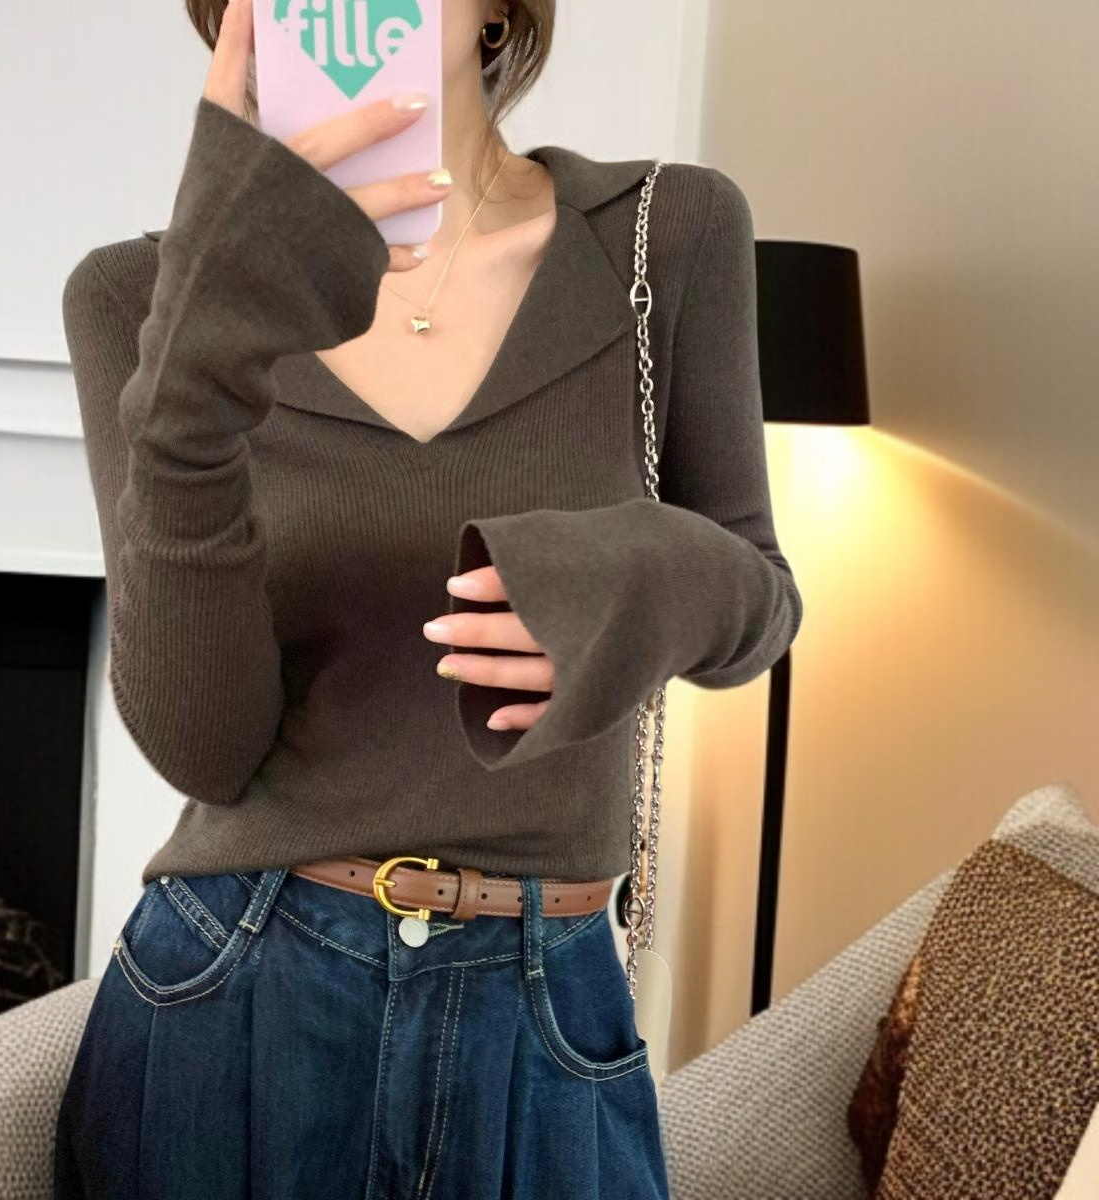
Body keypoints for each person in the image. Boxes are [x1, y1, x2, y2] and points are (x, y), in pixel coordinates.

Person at [52, 0, 803, 1196]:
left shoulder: (669, 235)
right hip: (237, 986)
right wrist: (199, 345)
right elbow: (202, 747)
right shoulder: (135, 295)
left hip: (546, 1002)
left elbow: (759, 602)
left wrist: (632, 574)